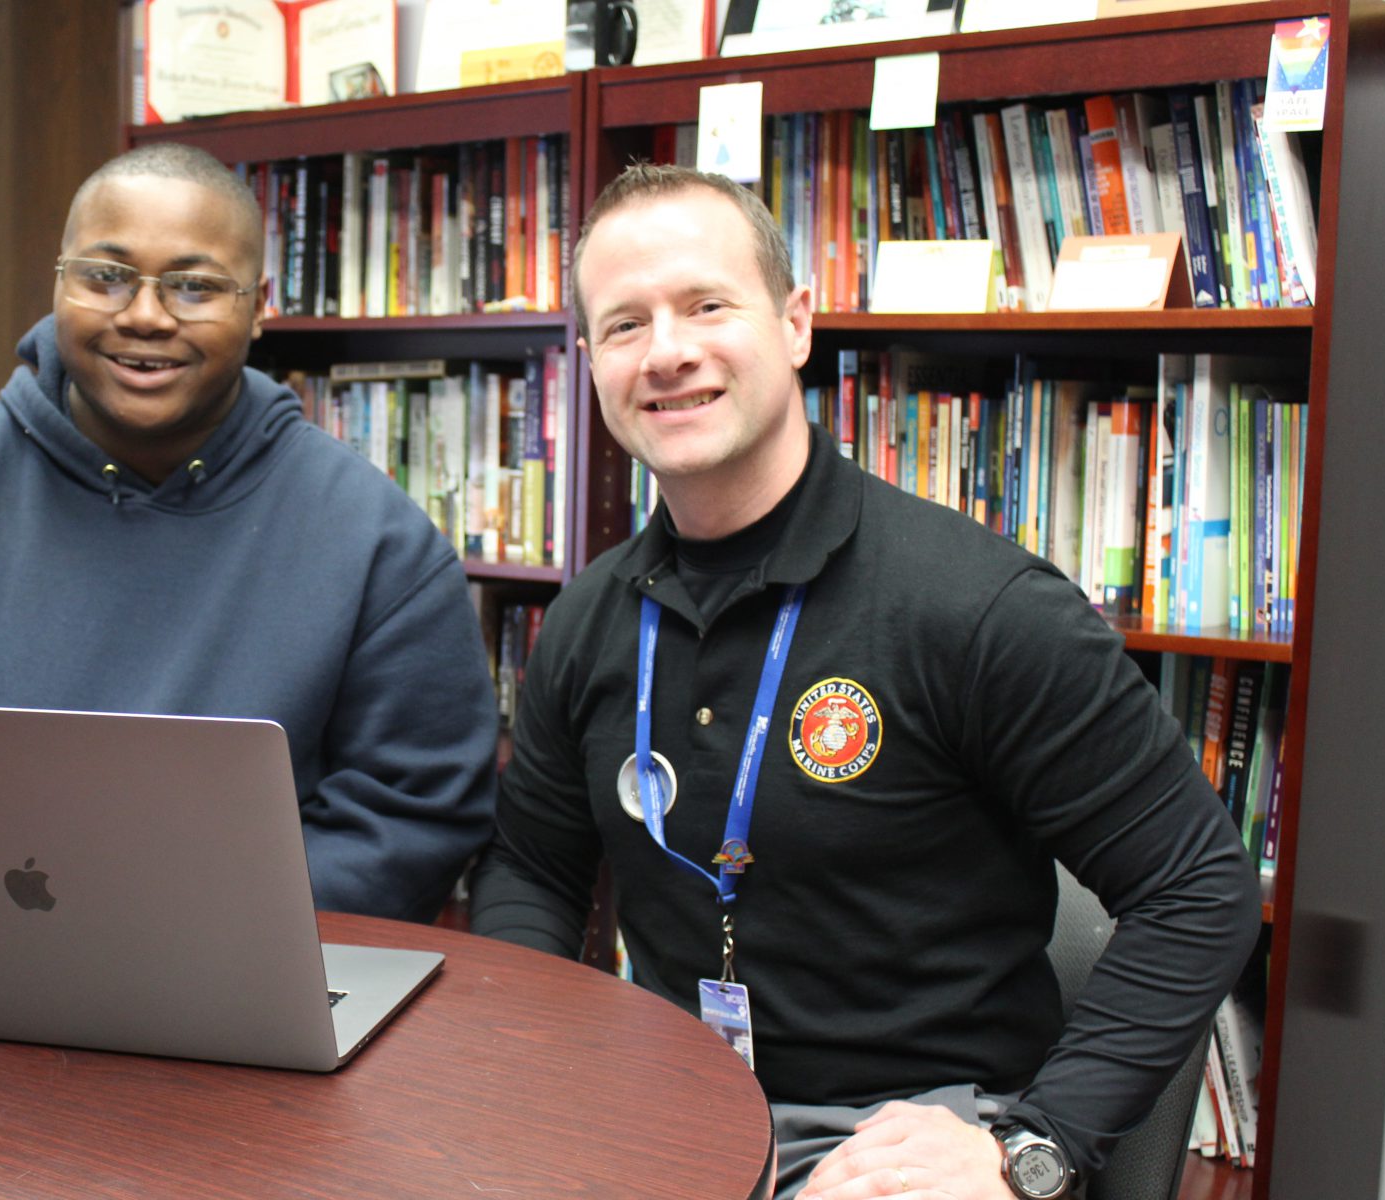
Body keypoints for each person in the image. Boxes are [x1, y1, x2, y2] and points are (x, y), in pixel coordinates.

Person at [468, 163, 1261, 1200]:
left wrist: (1033, 1145)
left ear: (794, 323)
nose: (666, 351)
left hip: (908, 1141)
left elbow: (1197, 888)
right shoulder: (587, 621)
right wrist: (530, 1056)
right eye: (624, 324)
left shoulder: (976, 608)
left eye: (707, 305)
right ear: (589, 361)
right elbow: (531, 869)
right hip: (667, 1110)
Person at [0, 143, 498, 923]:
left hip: (233, 994)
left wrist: (184, 936)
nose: (144, 315)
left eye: (195, 286)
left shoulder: (378, 545)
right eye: (106, 276)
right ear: (59, 280)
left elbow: (413, 815)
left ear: (260, 305)